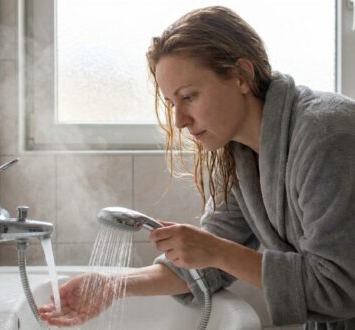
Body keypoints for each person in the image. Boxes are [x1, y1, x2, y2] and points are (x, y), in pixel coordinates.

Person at [38, 6, 355, 329]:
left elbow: (341, 289)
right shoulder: (242, 154)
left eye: (189, 96)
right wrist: (114, 286)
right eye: (172, 104)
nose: (179, 121)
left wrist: (217, 251)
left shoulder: (327, 137)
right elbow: (208, 256)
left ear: (241, 76)